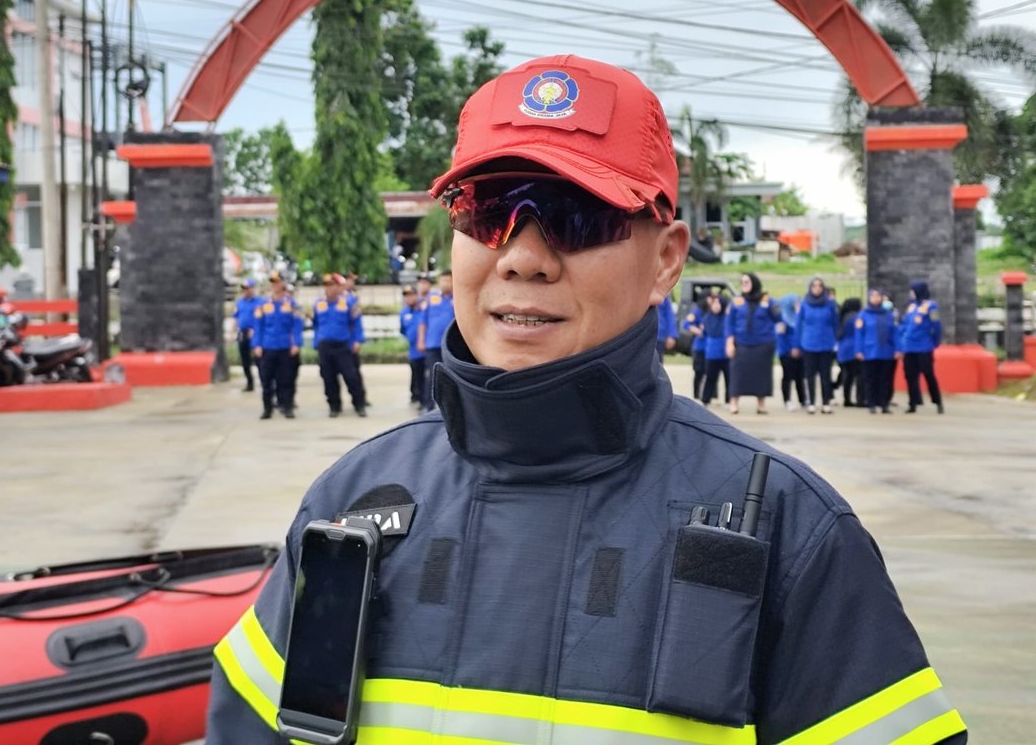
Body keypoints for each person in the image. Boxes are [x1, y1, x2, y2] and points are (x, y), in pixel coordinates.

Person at [205, 54, 966, 744]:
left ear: (666, 259)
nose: (524, 257)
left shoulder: (790, 530)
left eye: (578, 215)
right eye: (489, 209)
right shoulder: (354, 499)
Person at [312, 273, 368, 418]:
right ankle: (334, 406)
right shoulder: (318, 304)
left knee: (351, 376)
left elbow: (356, 323)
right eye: (326, 286)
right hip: (325, 346)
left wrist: (357, 340)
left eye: (332, 285)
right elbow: (316, 325)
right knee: (328, 377)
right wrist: (316, 342)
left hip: (343, 345)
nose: (329, 289)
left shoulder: (349, 303)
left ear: (338, 287)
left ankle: (359, 404)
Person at [726, 272, 779, 415]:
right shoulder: (736, 301)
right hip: (742, 344)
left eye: (747, 282)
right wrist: (729, 343)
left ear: (754, 283)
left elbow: (778, 318)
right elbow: (729, 324)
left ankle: (761, 404)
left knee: (762, 375)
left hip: (762, 344)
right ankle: (734, 403)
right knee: (737, 374)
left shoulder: (767, 300)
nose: (744, 285)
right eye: (742, 282)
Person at [253, 271, 302, 419]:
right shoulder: (263, 305)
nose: (275, 285)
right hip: (268, 347)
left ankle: (287, 407)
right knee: (266, 380)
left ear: (282, 284)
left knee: (285, 380)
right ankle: (267, 409)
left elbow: (296, 325)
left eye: (277, 282)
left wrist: (296, 343)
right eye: (272, 282)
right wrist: (257, 344)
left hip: (285, 347)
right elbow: (258, 326)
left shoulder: (292, 305)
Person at [899, 278, 944, 414]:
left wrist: (935, 341)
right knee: (910, 375)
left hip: (924, 346)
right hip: (909, 346)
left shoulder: (932, 306)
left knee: (928, 374)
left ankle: (937, 401)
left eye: (913, 291)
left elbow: (936, 325)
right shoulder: (911, 307)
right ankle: (913, 402)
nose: (911, 293)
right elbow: (904, 325)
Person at [797, 276, 839, 415]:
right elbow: (799, 324)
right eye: (814, 286)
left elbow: (835, 323)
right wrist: (797, 344)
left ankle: (826, 403)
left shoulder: (830, 304)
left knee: (825, 375)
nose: (817, 288)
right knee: (810, 375)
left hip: (826, 343)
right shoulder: (804, 304)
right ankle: (812, 403)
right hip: (809, 343)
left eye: (820, 286)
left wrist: (835, 340)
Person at [855, 288, 898, 414]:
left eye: (878, 296)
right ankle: (871, 403)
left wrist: (898, 349)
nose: (875, 298)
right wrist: (859, 350)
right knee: (870, 379)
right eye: (873, 296)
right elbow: (859, 334)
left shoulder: (888, 314)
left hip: (886, 351)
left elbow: (895, 333)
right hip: (869, 351)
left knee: (884, 379)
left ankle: (884, 403)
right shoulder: (863, 314)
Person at [416, 271, 453, 411]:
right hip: (432, 343)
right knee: (432, 375)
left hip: (450, 344)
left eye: (448, 280)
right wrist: (421, 340)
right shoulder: (431, 299)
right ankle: (428, 406)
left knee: (451, 377)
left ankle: (449, 408)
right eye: (443, 280)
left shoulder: (458, 299)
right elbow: (422, 321)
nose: (445, 283)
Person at [698, 290, 730, 407]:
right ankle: (705, 399)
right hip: (712, 352)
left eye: (719, 303)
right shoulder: (707, 317)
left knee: (729, 378)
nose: (716, 306)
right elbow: (704, 331)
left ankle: (728, 400)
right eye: (714, 304)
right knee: (710, 377)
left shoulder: (727, 318)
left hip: (725, 352)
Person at [777, 293, 807, 411]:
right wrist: (790, 349)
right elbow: (781, 338)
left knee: (800, 376)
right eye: (795, 303)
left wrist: (799, 348)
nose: (797, 305)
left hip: (800, 351)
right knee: (788, 376)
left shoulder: (799, 317)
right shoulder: (783, 318)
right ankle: (787, 400)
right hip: (786, 352)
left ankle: (803, 399)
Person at [234, 278, 263, 393]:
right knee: (245, 360)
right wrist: (233, 331)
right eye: (244, 289)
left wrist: (256, 331)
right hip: (242, 333)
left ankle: (264, 382)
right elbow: (236, 317)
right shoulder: (240, 302)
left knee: (259, 360)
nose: (246, 291)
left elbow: (262, 319)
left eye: (248, 288)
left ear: (252, 288)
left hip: (254, 334)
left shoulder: (260, 302)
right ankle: (249, 383)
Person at [399, 286, 425, 408]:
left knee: (427, 376)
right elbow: (403, 330)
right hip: (413, 351)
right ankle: (419, 398)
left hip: (426, 350)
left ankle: (426, 401)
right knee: (417, 375)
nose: (409, 298)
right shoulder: (404, 313)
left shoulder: (423, 309)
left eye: (411, 295)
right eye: (406, 295)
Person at [835, 296, 863, 408]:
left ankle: (847, 399)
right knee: (860, 375)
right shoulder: (857, 317)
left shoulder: (842, 317)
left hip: (843, 348)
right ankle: (860, 398)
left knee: (848, 375)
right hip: (854, 348)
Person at [684, 294, 706, 397]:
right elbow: (686, 324)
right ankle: (696, 393)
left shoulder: (713, 310)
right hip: (699, 346)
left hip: (709, 347)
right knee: (698, 371)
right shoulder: (697, 311)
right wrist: (696, 330)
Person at [656, 290, 678, 360]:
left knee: (657, 361)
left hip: (659, 335)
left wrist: (671, 335)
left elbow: (670, 316)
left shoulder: (663, 296)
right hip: (641, 333)